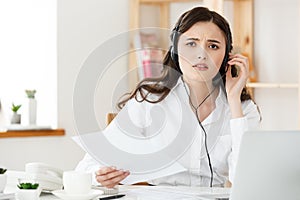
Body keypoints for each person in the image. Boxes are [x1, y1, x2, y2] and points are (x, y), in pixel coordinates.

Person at [76, 6, 260, 188]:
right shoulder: (150, 100)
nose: (201, 54)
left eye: (213, 46)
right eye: (191, 44)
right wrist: (100, 176)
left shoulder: (243, 109)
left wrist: (234, 102)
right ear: (175, 50)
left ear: (228, 56)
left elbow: (247, 180)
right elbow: (87, 167)